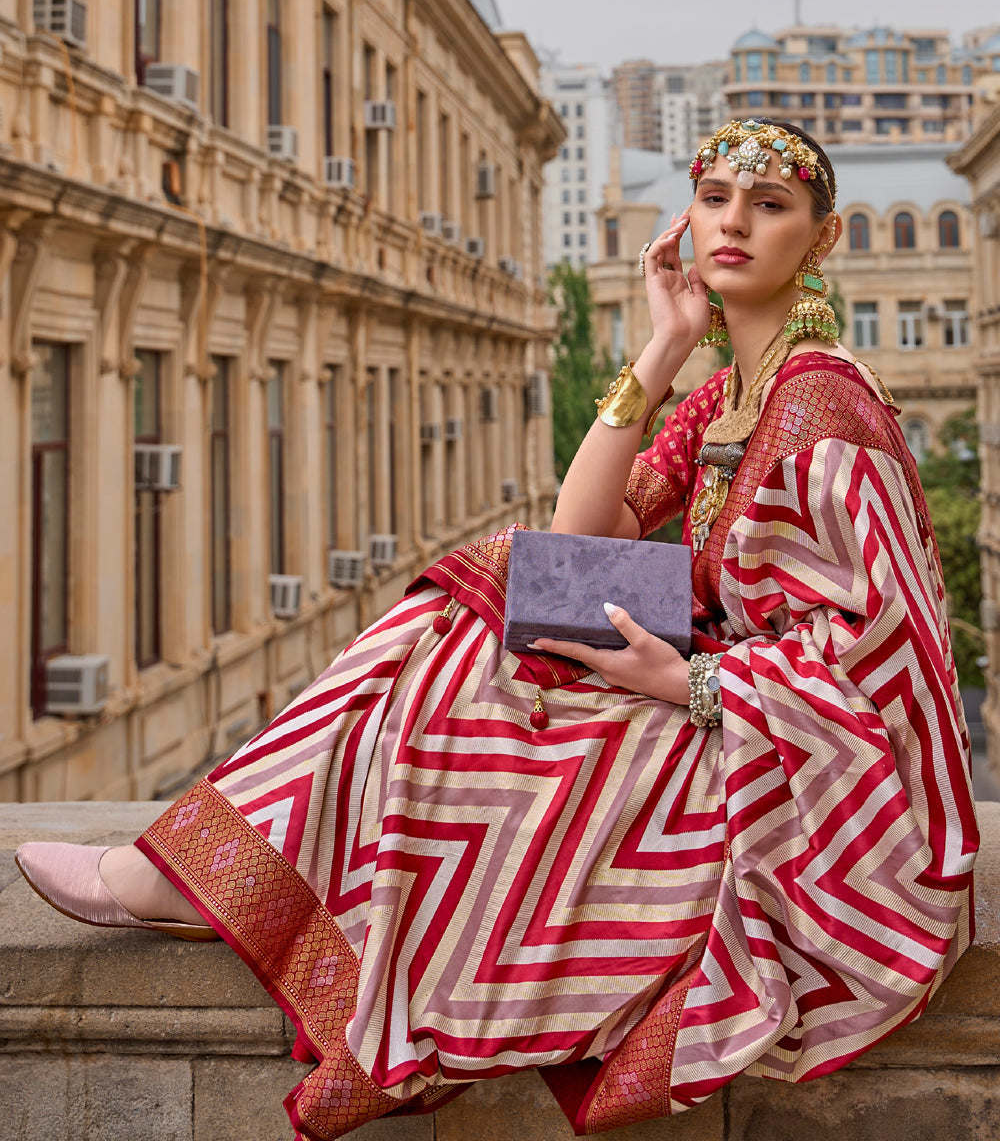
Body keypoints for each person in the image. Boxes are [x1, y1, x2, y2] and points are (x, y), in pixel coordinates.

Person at [16, 119, 978, 1139]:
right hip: (727, 708)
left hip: (811, 780)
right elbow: (584, 528)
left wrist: (684, 682)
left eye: (770, 204)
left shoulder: (821, 407)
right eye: (713, 199)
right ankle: (207, 870)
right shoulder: (725, 398)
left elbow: (884, 660)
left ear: (820, 242)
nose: (732, 222)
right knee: (480, 601)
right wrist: (657, 347)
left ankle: (198, 877)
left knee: (467, 676)